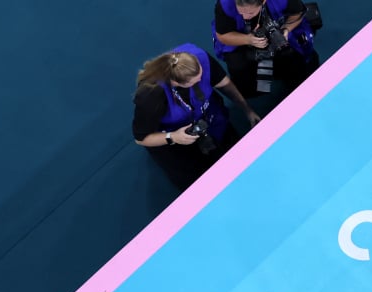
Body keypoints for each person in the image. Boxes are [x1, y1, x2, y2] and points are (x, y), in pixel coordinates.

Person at [132, 44, 261, 189]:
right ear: (177, 83)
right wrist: (173, 137)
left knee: (239, 157)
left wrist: (247, 110)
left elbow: (224, 84)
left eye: (201, 75)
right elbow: (140, 138)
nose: (202, 80)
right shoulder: (150, 95)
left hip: (206, 115)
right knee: (198, 183)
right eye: (196, 81)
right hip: (173, 136)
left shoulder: (197, 58)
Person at [213, 0, 320, 99]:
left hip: (276, 23)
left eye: (250, 13)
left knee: (294, 54)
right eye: (240, 12)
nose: (245, 17)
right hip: (241, 36)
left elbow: (298, 13)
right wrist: (248, 39)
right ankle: (254, 90)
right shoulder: (224, 5)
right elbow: (222, 35)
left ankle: (291, 80)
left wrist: (286, 29)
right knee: (238, 66)